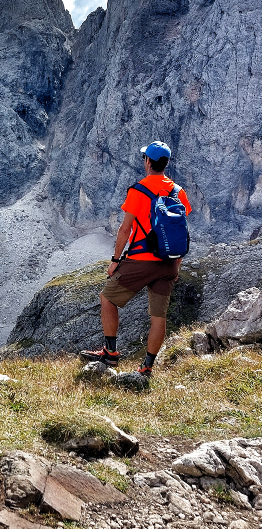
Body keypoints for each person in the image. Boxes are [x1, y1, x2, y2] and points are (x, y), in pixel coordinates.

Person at [79, 141, 192, 380]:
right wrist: (176, 263)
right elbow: (180, 228)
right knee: (158, 316)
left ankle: (110, 352)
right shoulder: (178, 191)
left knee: (107, 298)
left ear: (148, 162)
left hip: (142, 259)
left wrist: (115, 260)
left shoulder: (138, 190)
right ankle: (147, 367)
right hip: (170, 262)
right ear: (166, 164)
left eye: (145, 158)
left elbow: (125, 230)